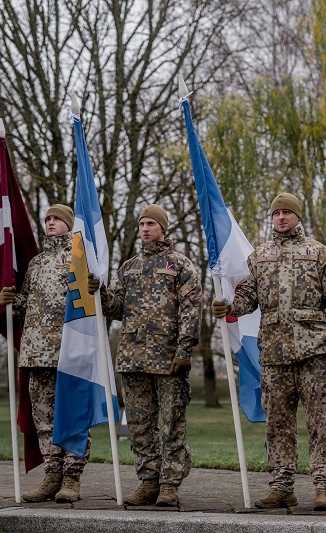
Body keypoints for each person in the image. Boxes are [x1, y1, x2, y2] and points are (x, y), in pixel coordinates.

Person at [211, 192, 326, 511]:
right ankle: (282, 485)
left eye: (287, 212)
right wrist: (228, 305)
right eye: (276, 213)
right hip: (274, 354)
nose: (281, 217)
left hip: (314, 353)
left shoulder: (318, 253)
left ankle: (324, 486)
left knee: (321, 422)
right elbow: (248, 298)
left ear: (298, 216)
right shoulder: (259, 256)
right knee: (278, 423)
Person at [92, 204, 201, 508]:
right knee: (139, 425)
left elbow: (191, 310)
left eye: (151, 223)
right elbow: (115, 308)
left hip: (167, 358)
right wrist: (99, 292)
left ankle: (169, 484)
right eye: (141, 223)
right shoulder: (128, 267)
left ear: (163, 227)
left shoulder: (181, 265)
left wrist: (184, 349)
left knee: (171, 423)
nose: (145, 228)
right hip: (132, 357)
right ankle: (149, 481)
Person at [0, 204, 91, 503]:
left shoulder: (80, 259)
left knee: (74, 415)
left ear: (68, 224)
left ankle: (72, 478)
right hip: (37, 353)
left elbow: (91, 304)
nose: (50, 223)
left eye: (56, 219)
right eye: (48, 219)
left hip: (70, 352)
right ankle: (52, 475)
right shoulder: (36, 264)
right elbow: (27, 306)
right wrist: (12, 299)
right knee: (44, 419)